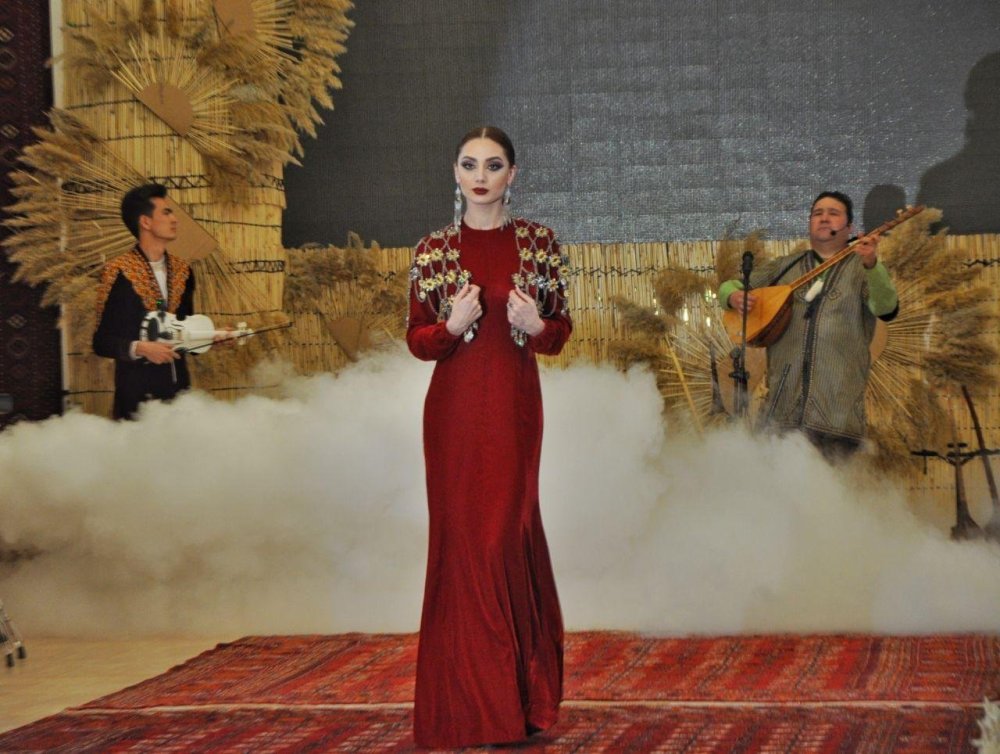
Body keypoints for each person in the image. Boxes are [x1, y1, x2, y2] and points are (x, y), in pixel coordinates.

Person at [406, 126, 572, 748]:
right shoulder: (431, 251)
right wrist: (450, 326)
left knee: (503, 540)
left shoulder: (539, 244)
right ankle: (470, 709)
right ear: (455, 172)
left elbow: (559, 333)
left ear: (513, 174)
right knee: (463, 549)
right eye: (470, 164)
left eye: (494, 165)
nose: (481, 176)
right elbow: (417, 340)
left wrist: (536, 323)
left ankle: (514, 703)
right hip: (452, 417)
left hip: (514, 412)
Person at [719, 191, 898, 461]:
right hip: (781, 415)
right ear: (810, 223)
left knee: (828, 488)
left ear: (849, 227)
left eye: (833, 213)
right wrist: (732, 296)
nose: (824, 218)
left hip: (837, 420)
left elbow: (886, 308)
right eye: (817, 213)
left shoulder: (863, 269)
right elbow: (732, 286)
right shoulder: (785, 267)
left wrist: (872, 265)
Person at [93, 183, 195, 420]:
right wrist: (140, 348)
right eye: (166, 212)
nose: (174, 219)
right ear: (145, 222)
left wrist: (212, 337)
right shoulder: (117, 272)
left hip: (179, 394)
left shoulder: (184, 271)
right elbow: (101, 342)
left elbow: (185, 331)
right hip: (135, 396)